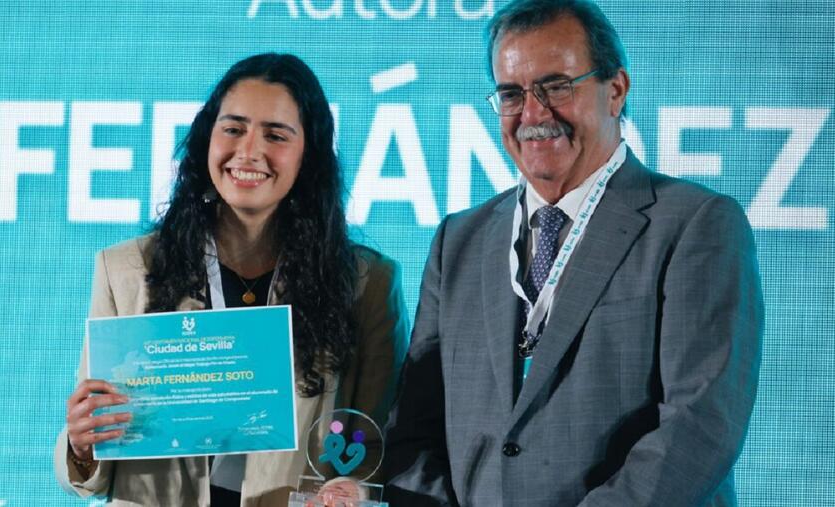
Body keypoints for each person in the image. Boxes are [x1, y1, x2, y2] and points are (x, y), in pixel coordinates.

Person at [383, 1, 763, 505]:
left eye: (556, 86)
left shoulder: (696, 224)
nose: (534, 114)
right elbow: (414, 430)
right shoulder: (459, 241)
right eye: (512, 94)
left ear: (616, 90)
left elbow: (700, 424)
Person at [55, 53, 409, 507]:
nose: (249, 151)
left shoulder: (366, 282)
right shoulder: (125, 270)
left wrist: (353, 488)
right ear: (208, 138)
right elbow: (93, 465)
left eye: (276, 135)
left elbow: (376, 443)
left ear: (309, 155)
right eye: (233, 128)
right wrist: (82, 444)